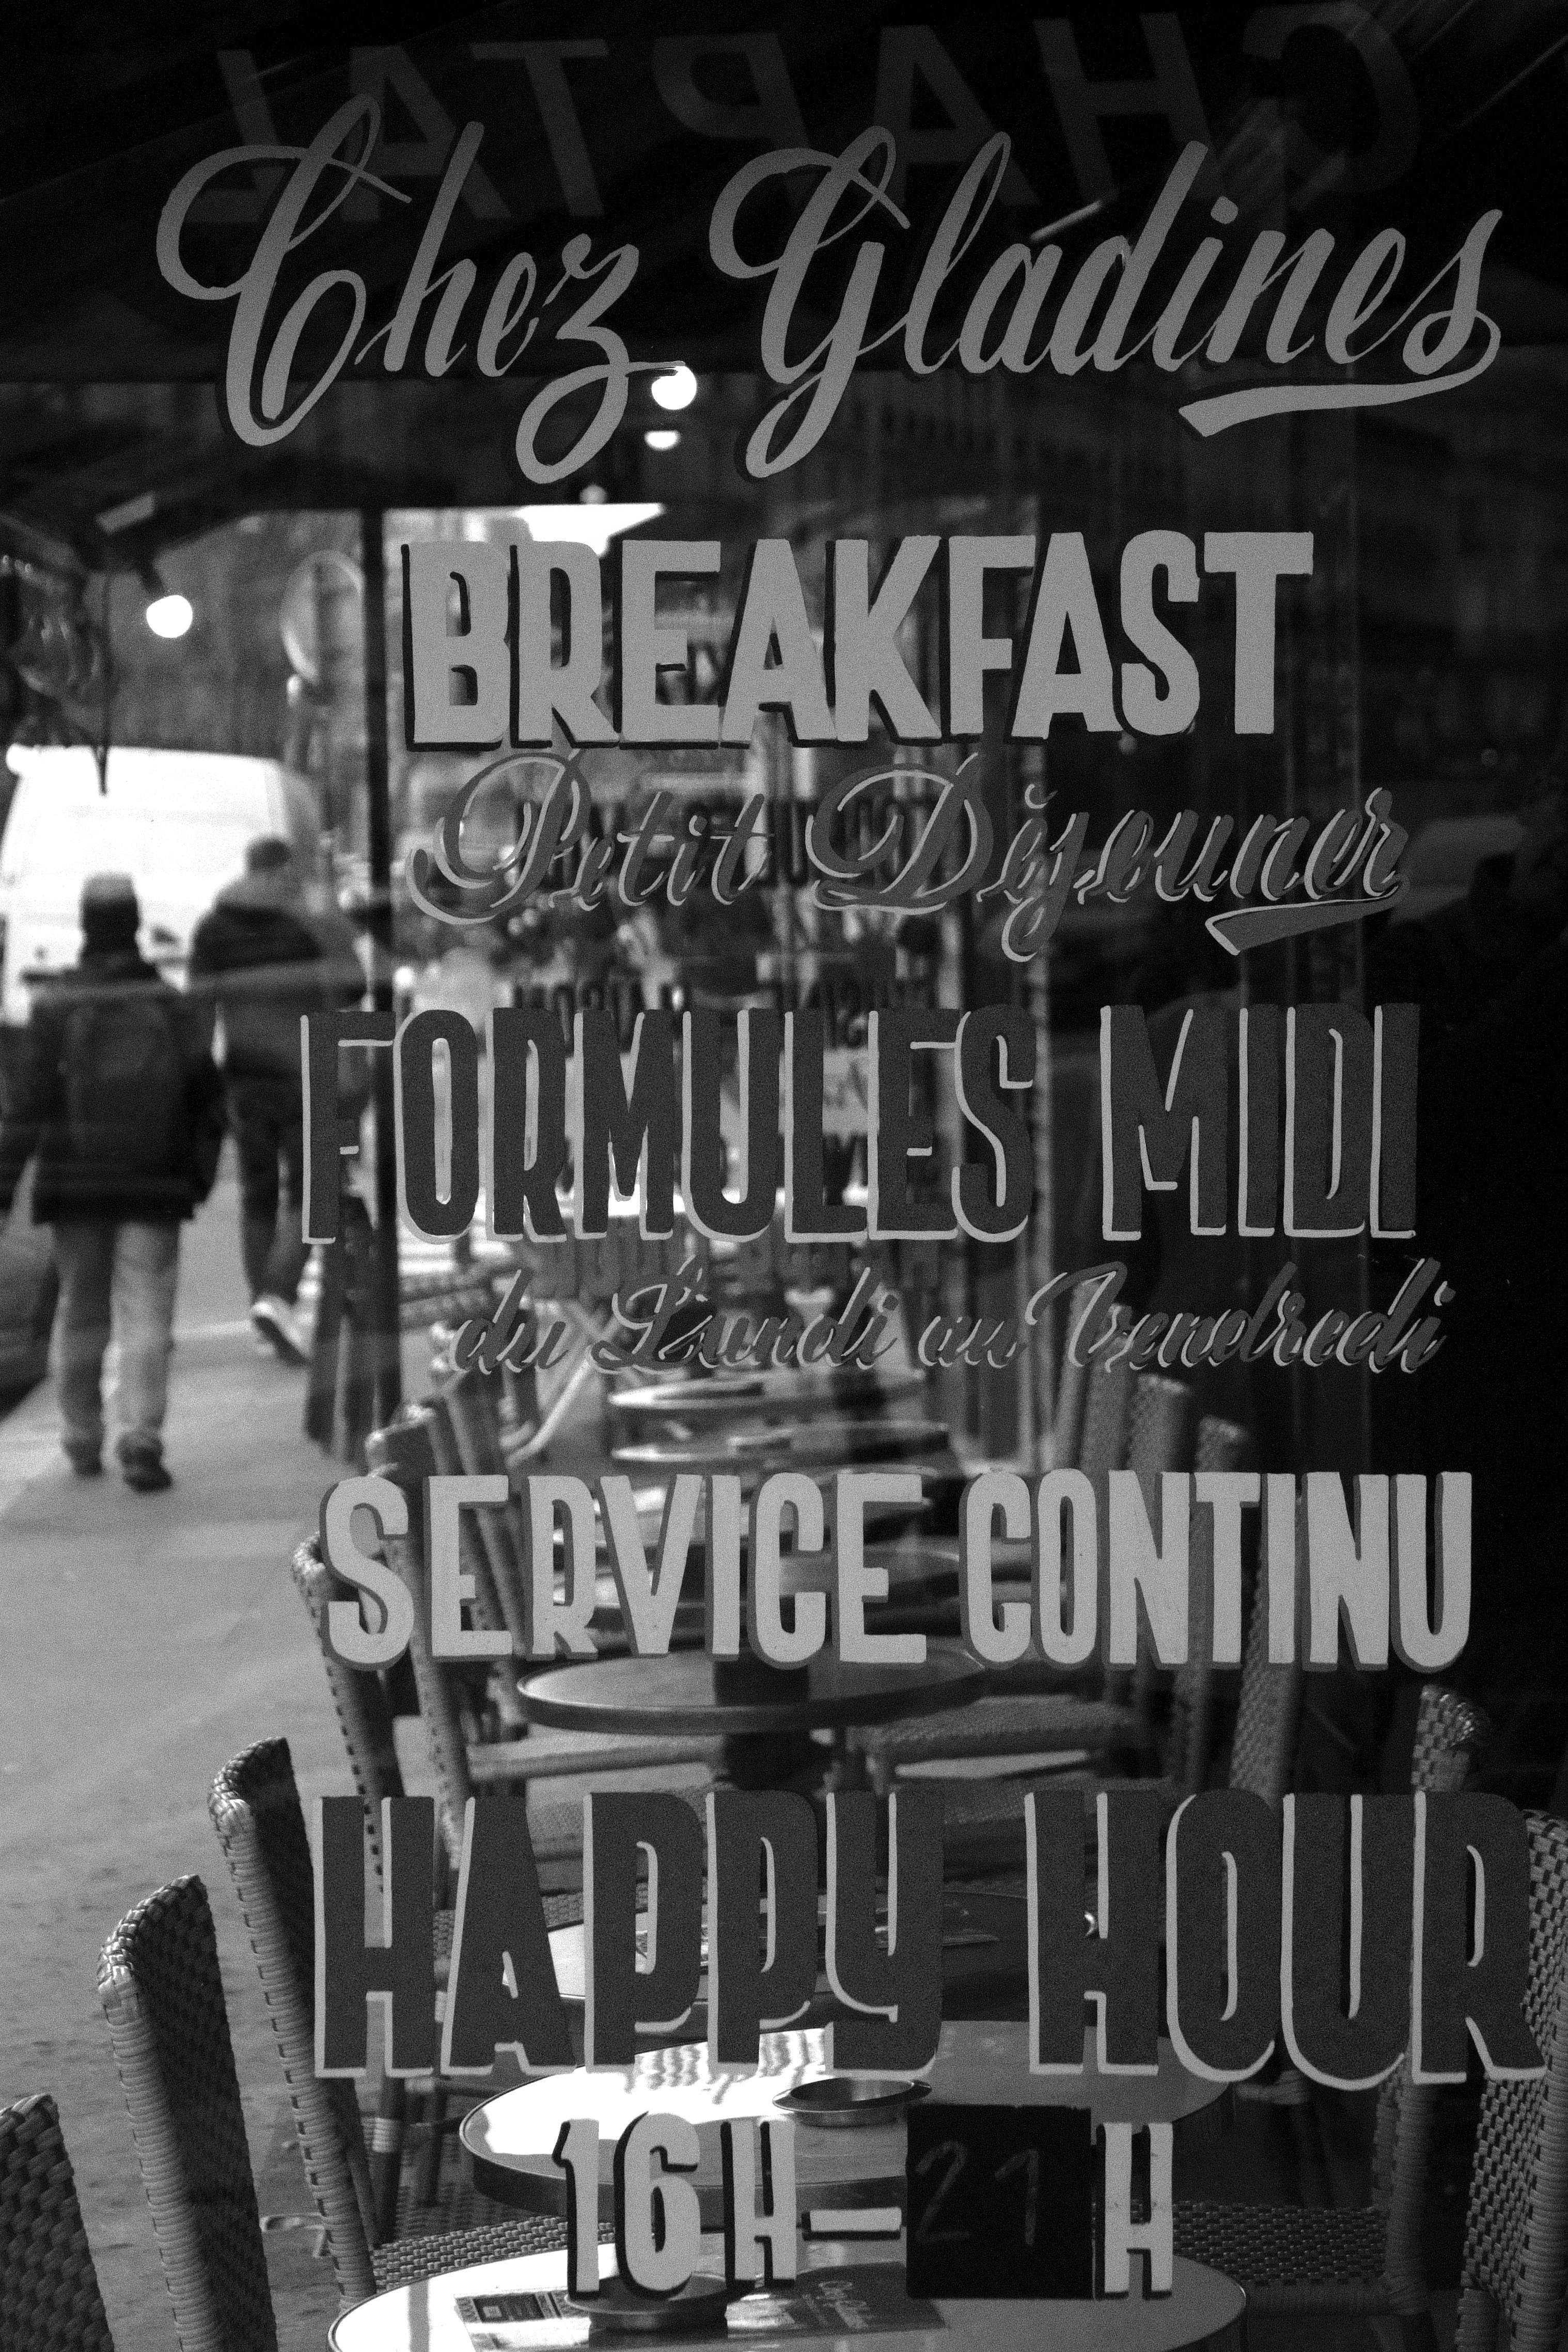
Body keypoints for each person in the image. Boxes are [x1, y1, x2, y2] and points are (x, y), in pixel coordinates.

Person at [0, 872, 224, 1492]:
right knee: (147, 1309)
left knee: (81, 1310)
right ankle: (142, 1435)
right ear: (134, 925)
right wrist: (196, 1178)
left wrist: (6, 1180)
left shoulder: (56, 1007)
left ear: (84, 926)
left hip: (76, 1183)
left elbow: (26, 1104)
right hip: (153, 1185)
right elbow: (208, 1100)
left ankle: (80, 1434)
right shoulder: (169, 1006)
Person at [188, 835, 360, 1363]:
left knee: (257, 1195)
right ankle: (277, 1295)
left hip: (245, 1077)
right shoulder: (310, 919)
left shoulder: (213, 928)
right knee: (313, 1190)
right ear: (286, 869)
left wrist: (203, 1078)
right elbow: (351, 985)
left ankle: (264, 1316)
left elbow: (200, 1007)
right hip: (309, 1070)